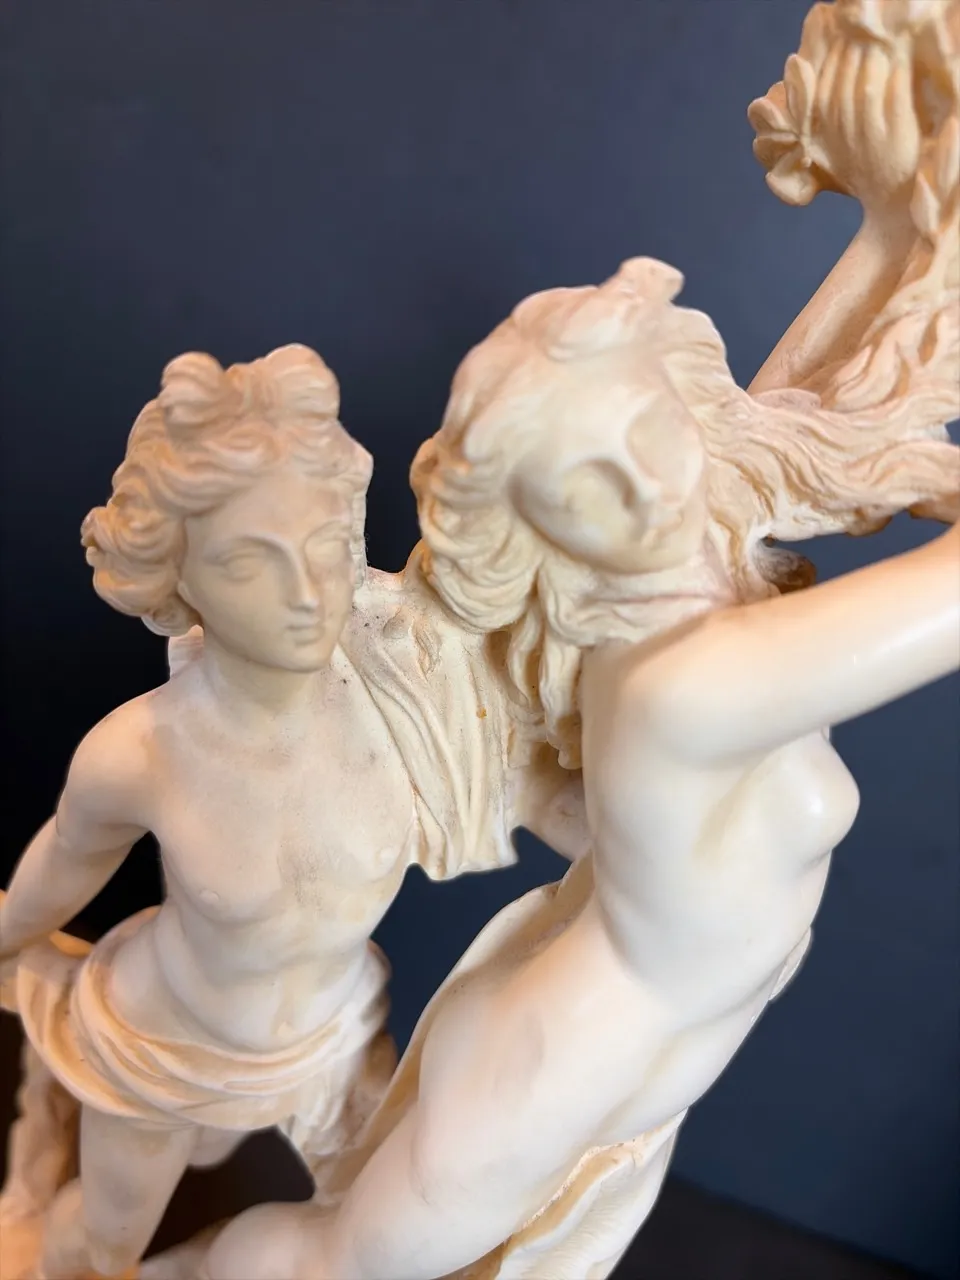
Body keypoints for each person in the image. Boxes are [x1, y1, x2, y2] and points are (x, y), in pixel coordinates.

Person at [201, 257, 960, 1280]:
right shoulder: (691, 681)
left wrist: (907, 249)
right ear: (534, 526)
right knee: (334, 1263)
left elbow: (771, 424)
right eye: (579, 485)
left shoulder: (710, 599)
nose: (641, 487)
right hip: (556, 1055)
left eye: (646, 427)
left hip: (637, 1056)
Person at [0, 343, 588, 1279]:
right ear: (176, 576)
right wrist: (6, 938)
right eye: (250, 561)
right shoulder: (138, 752)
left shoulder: (410, 691)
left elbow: (540, 791)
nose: (308, 592)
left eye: (326, 544)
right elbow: (66, 860)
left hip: (334, 1040)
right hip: (162, 1046)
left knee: (404, 1227)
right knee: (102, 1248)